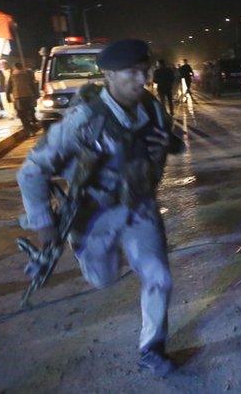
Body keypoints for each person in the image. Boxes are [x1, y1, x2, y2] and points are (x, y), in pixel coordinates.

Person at [17, 39, 183, 377]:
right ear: (108, 74)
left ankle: (151, 347)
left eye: (145, 70)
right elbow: (32, 169)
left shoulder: (150, 107)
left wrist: (166, 143)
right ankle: (90, 253)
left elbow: (172, 138)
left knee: (159, 276)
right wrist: (44, 224)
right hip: (95, 213)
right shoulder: (84, 118)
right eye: (133, 72)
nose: (143, 79)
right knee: (103, 279)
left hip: (140, 207)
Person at [6, 62, 40, 131]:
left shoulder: (12, 75)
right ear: (22, 67)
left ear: (14, 67)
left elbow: (8, 87)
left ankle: (29, 130)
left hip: (18, 98)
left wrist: (8, 98)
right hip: (28, 96)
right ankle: (33, 125)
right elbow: (32, 85)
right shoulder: (27, 74)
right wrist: (36, 94)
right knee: (30, 111)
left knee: (22, 115)